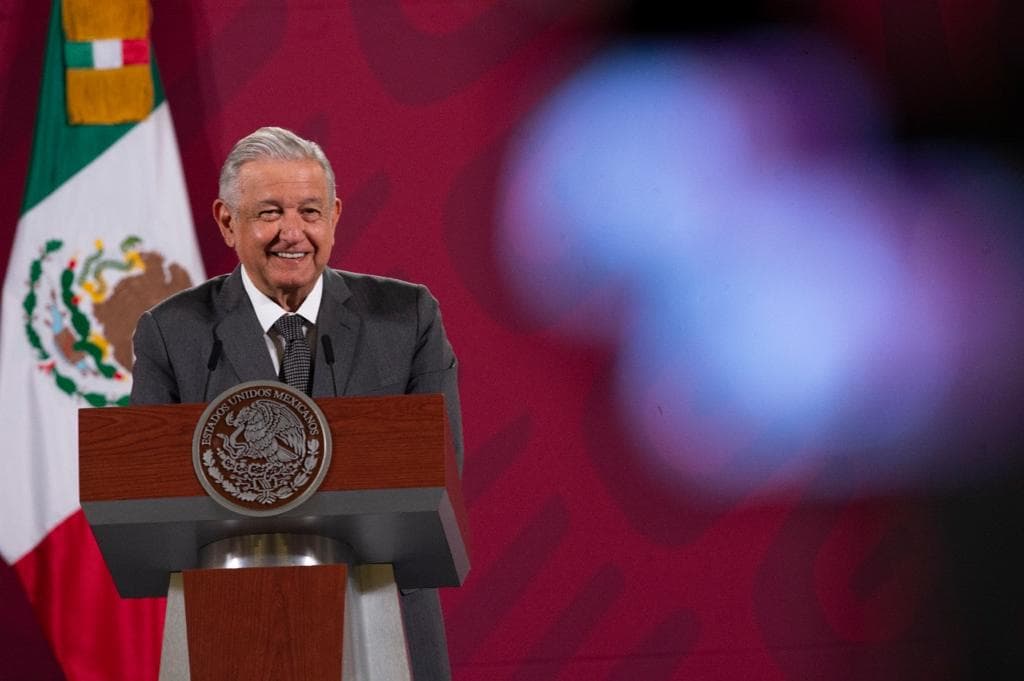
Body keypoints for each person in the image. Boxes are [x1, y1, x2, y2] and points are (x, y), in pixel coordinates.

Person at [131, 126, 462, 680]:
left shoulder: (406, 318)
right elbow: (146, 490)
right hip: (229, 615)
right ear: (226, 221)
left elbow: (440, 471)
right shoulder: (171, 332)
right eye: (269, 213)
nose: (293, 232)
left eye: (310, 211)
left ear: (334, 215)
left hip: (384, 615)